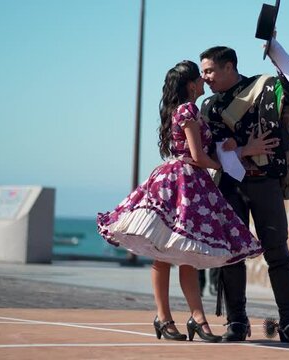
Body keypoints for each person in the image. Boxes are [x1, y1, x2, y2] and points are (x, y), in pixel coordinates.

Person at [97, 60, 275, 342]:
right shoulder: (188, 109)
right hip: (184, 181)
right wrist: (233, 159)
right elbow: (199, 156)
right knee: (170, 253)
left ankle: (193, 317)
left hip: (182, 179)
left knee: (181, 252)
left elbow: (198, 151)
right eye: (200, 78)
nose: (205, 81)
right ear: (192, 85)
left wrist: (227, 148)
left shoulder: (180, 110)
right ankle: (168, 318)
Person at [199, 38, 289, 345]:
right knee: (231, 254)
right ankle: (236, 321)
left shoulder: (265, 87)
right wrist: (246, 149)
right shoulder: (208, 106)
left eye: (210, 71)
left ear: (229, 67)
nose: (205, 78)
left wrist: (275, 49)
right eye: (203, 72)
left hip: (265, 183)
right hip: (230, 186)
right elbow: (216, 152)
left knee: (277, 252)